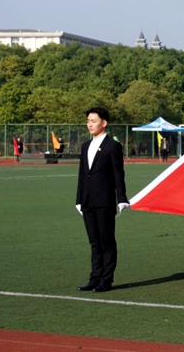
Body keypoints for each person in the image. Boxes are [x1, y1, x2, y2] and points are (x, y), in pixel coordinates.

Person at [75, 107, 129, 292]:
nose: (90, 124)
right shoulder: (85, 146)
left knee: (107, 241)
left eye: (93, 121)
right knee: (94, 242)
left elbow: (118, 174)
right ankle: (94, 277)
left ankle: (106, 279)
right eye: (88, 121)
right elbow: (83, 175)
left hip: (105, 200)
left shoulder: (112, 145)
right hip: (87, 200)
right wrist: (79, 199)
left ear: (103, 123)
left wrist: (122, 197)